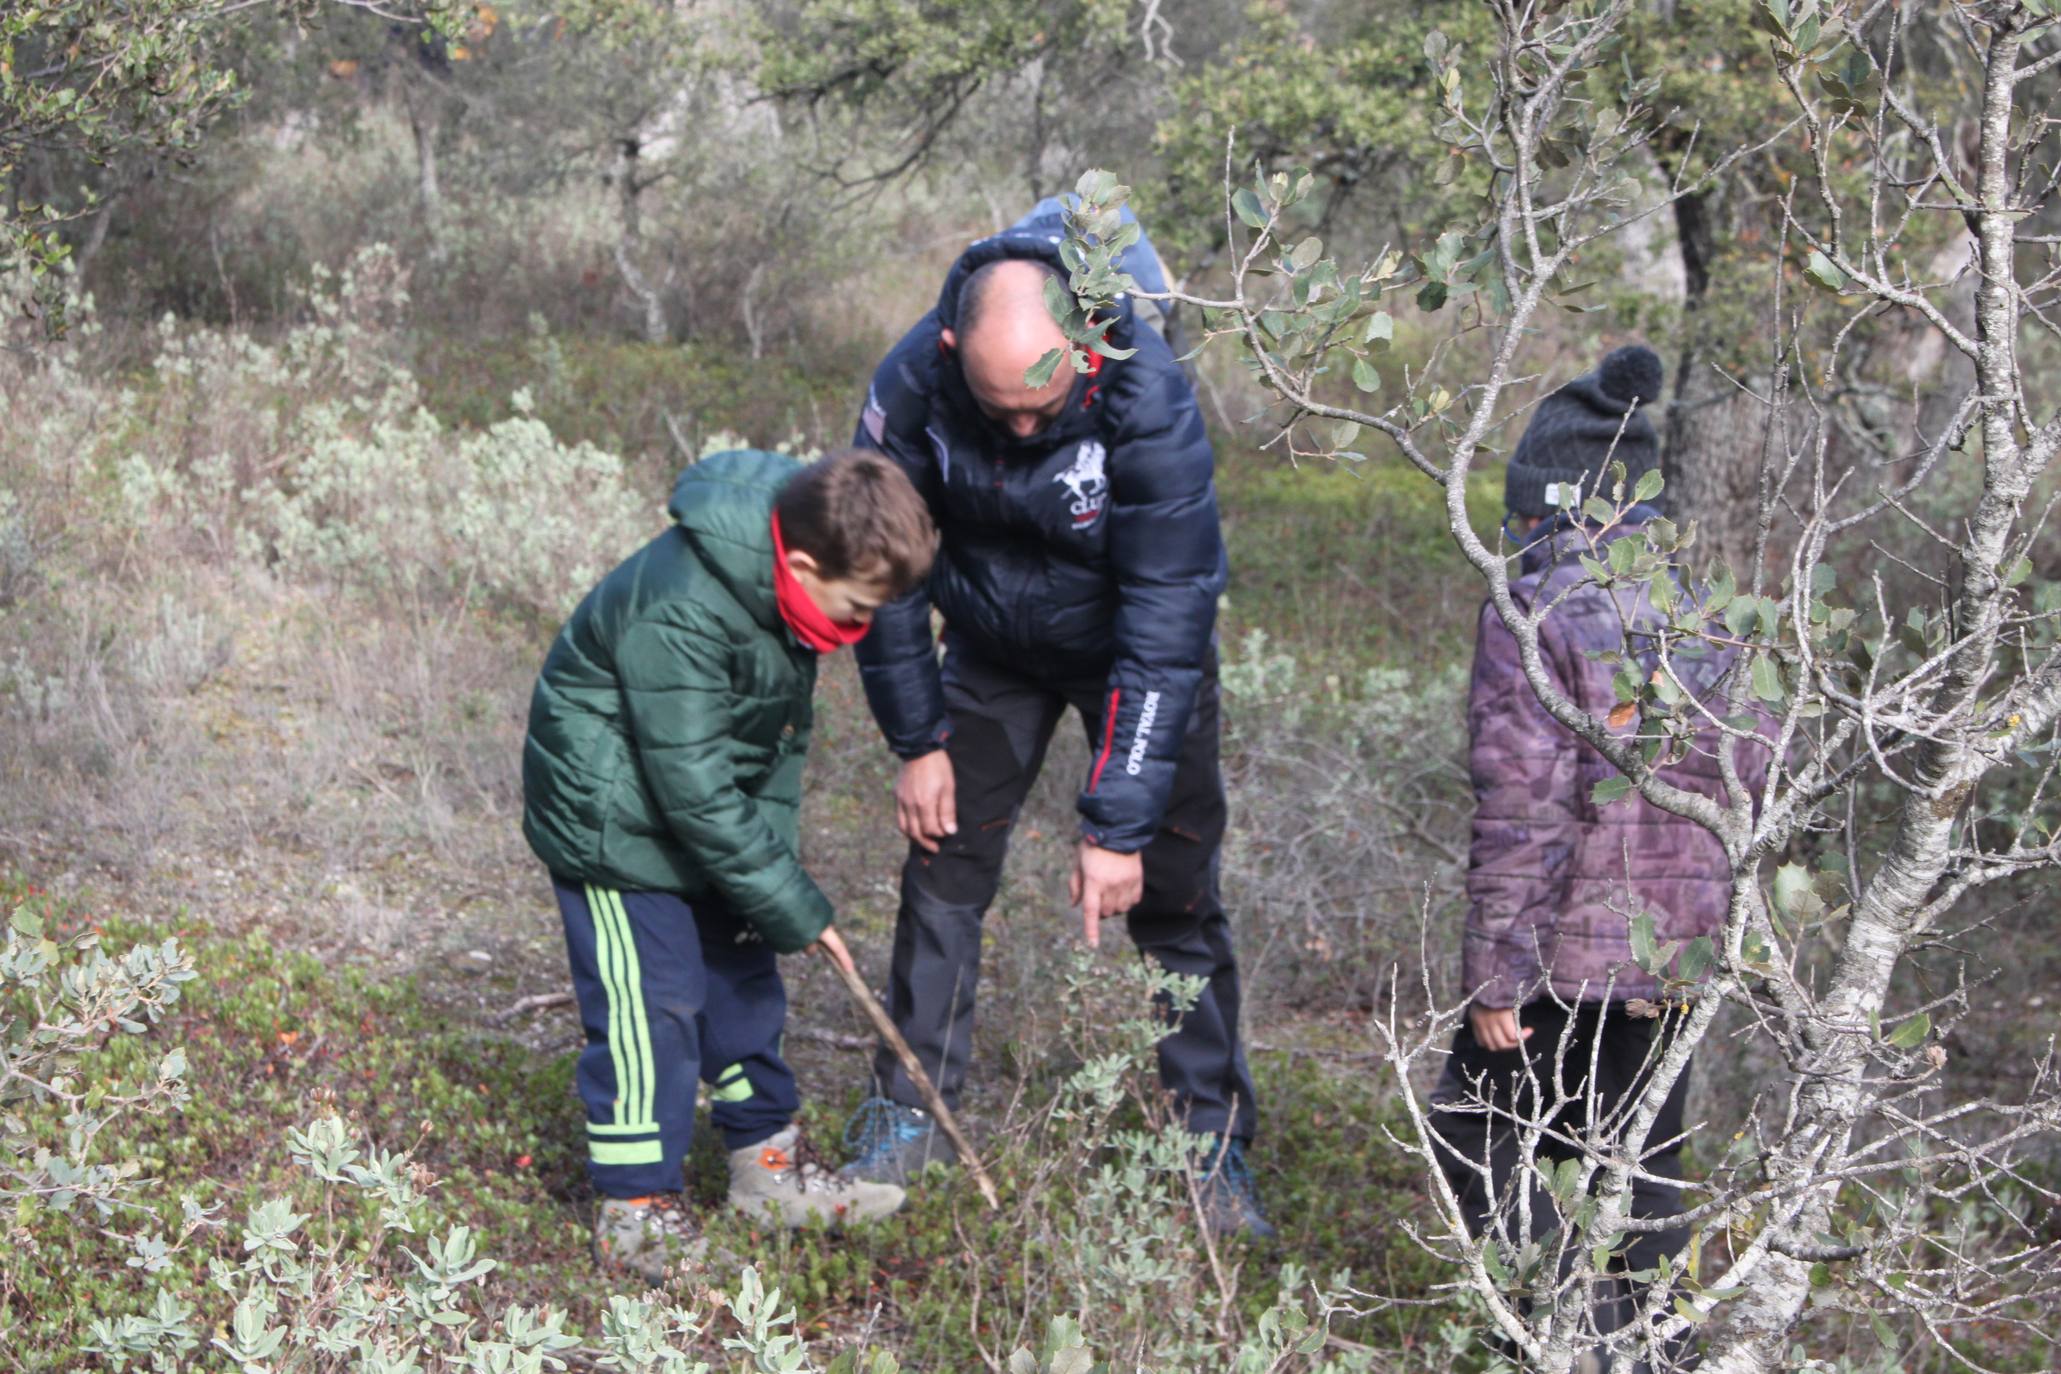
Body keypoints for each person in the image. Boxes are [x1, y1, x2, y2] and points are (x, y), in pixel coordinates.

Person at [837, 222, 1271, 1239]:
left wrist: (1118, 823)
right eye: (1003, 413)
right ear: (953, 354)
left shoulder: (1143, 389)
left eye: (1048, 407)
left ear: (1084, 348)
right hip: (990, 647)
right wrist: (918, 740)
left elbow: (1170, 615)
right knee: (941, 871)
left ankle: (1209, 1146)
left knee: (1172, 896)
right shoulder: (912, 385)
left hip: (1132, 651)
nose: (1027, 433)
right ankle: (910, 1116)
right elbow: (885, 566)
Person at [521, 447, 935, 1285]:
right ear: (806, 563)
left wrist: (767, 883)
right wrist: (793, 899)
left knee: (744, 981)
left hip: (691, 811)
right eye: (856, 609)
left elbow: (765, 757)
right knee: (655, 1006)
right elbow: (697, 787)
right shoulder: (684, 608)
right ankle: (637, 1212)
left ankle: (766, 1175)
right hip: (613, 823)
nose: (858, 633)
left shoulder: (783, 590)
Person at [1429, 344, 1763, 1365]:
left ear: (1543, 505)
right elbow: (1755, 783)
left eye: (1518, 508)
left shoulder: (1534, 615)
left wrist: (1498, 976)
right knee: (1642, 1162)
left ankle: (1563, 1339)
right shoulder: (1711, 611)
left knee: (1474, 1131)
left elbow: (1523, 810)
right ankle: (1653, 1351)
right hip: (1682, 964)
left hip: (1562, 965)